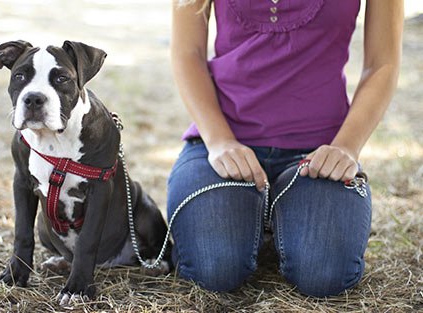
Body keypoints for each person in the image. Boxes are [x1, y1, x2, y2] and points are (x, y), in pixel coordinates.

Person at [167, 0, 403, 297]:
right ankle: (263, 220)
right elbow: (188, 54)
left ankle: (273, 219)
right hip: (223, 143)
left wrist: (346, 148)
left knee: (324, 275)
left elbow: (382, 64)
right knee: (213, 269)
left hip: (320, 153)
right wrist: (219, 141)